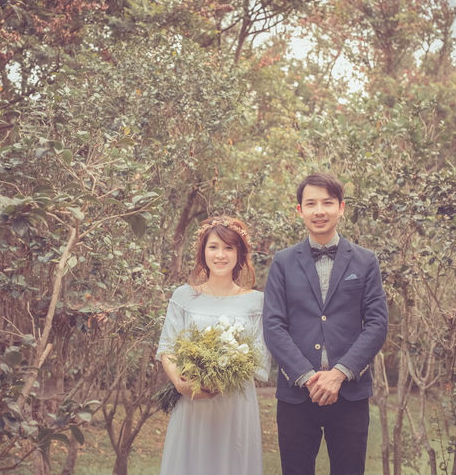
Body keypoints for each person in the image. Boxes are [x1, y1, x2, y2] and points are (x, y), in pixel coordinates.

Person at [264, 172, 388, 475]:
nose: (319, 211)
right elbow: (273, 325)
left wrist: (339, 373)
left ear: (341, 208)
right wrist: (308, 377)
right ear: (300, 210)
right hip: (296, 394)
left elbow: (377, 323)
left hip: (350, 392)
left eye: (327, 203)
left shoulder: (365, 261)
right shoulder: (282, 262)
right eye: (311, 204)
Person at [156, 216, 271, 475]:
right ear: (203, 251)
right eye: (213, 247)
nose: (220, 255)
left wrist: (221, 376)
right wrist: (181, 383)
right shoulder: (184, 296)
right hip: (192, 401)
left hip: (235, 404)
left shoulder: (257, 302)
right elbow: (167, 348)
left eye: (229, 248)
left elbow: (258, 357)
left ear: (239, 254)